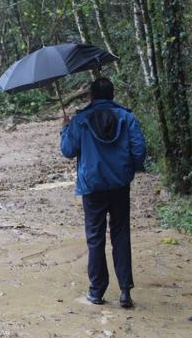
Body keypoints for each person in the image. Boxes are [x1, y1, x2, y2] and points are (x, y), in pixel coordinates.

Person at [59, 77, 146, 308]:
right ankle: (125, 291)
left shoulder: (80, 120)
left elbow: (68, 151)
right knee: (121, 235)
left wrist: (65, 129)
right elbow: (139, 149)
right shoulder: (126, 117)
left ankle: (96, 292)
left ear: (91, 97)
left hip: (93, 188)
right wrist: (131, 170)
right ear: (113, 95)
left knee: (95, 239)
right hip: (119, 185)